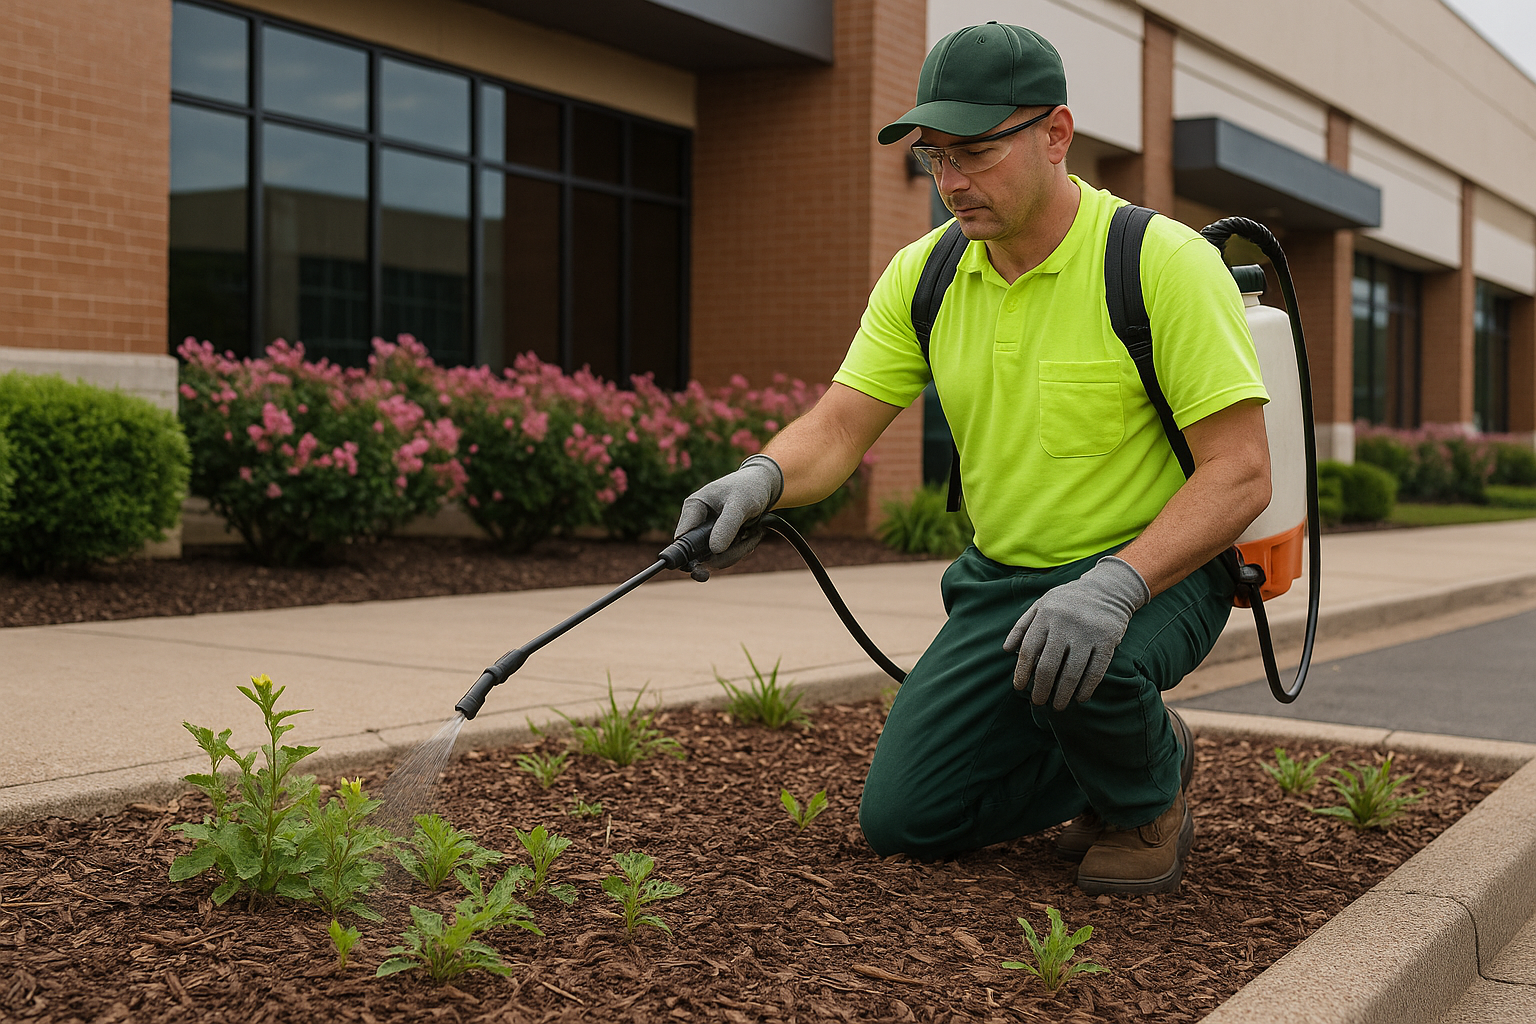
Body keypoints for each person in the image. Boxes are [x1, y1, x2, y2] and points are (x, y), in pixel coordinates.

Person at [674, 22, 1272, 894]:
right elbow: (840, 427)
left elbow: (1242, 472)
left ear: (1057, 134)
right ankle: (1133, 738)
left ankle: (1145, 796)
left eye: (978, 151)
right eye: (934, 157)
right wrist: (761, 478)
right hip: (1003, 581)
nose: (952, 182)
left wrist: (1112, 586)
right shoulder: (926, 273)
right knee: (906, 822)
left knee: (1092, 663)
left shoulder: (1159, 263)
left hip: (1156, 574)